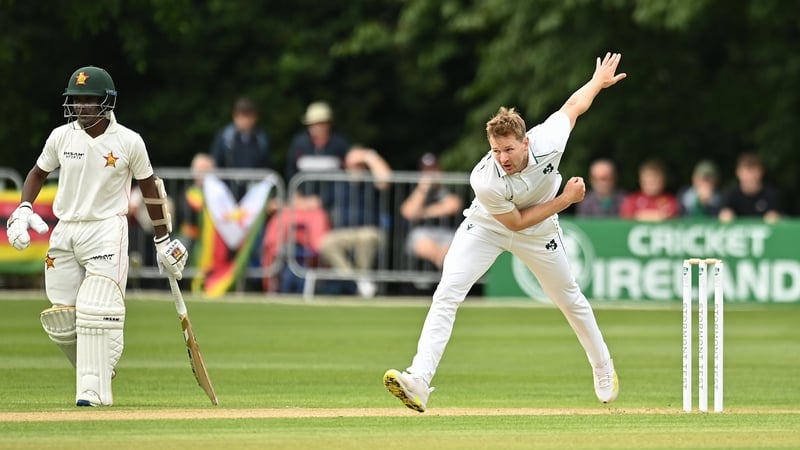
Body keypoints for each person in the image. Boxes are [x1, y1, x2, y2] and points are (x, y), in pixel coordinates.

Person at [383, 52, 626, 412]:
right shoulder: (484, 180)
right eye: (496, 150)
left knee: (568, 297)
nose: (503, 157)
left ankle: (603, 367)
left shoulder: (549, 140)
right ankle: (419, 380)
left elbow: (574, 106)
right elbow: (514, 223)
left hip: (539, 230)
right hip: (488, 226)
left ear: (525, 142)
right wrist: (565, 200)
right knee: (448, 292)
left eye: (509, 149)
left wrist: (597, 82)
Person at [5, 66, 187, 407]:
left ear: (106, 101)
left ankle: (93, 389)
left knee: (96, 307)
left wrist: (163, 240)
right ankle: (100, 369)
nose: (81, 107)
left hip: (106, 229)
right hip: (66, 230)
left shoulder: (129, 141)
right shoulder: (62, 136)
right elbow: (36, 173)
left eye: (88, 100)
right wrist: (24, 209)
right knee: (62, 318)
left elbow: (149, 188)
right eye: (76, 100)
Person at [318, 146, 392, 298]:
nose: (355, 168)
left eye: (359, 165)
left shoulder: (372, 181)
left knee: (366, 238)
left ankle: (361, 280)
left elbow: (386, 179)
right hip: (345, 232)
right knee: (326, 242)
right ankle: (359, 281)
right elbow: (319, 203)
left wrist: (369, 155)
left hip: (370, 230)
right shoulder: (339, 182)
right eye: (352, 165)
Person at [400, 153, 463, 270]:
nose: (430, 175)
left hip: (447, 233)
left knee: (452, 244)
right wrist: (422, 189)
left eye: (433, 170)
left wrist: (422, 213)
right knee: (422, 242)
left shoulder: (447, 190)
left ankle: (442, 267)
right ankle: (441, 264)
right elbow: (408, 212)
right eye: (427, 171)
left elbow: (453, 206)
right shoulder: (417, 192)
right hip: (422, 233)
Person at [285, 101, 350, 208]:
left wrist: (323, 200)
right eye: (311, 124)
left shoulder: (340, 144)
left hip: (333, 204)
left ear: (328, 124)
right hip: (303, 202)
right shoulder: (299, 143)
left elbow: (345, 175)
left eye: (319, 124)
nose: (315, 127)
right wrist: (296, 193)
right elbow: (291, 171)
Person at [209, 96, 271, 200]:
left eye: (248, 117)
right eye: (241, 116)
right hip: (228, 192)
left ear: (255, 117)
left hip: (253, 193)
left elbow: (266, 167)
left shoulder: (261, 139)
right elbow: (216, 161)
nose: (244, 121)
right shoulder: (225, 137)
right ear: (234, 116)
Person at [718, 152, 781, 223]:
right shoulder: (730, 195)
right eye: (746, 171)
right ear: (738, 172)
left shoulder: (771, 195)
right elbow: (723, 216)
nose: (750, 176)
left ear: (761, 172)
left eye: (753, 171)